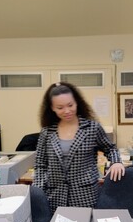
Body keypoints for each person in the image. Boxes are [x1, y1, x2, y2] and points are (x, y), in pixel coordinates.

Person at [33, 82, 125, 213]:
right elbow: (40, 165)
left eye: (70, 105)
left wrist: (116, 162)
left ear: (77, 103)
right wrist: (39, 192)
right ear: (52, 108)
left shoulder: (92, 128)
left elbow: (110, 148)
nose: (67, 111)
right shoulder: (47, 132)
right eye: (60, 107)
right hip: (55, 197)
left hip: (85, 196)